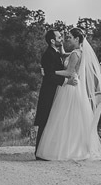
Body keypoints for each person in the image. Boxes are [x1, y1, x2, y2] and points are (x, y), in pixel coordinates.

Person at [36, 28, 101, 161]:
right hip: (74, 87)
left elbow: (69, 72)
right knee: (73, 118)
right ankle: (75, 147)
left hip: (70, 87)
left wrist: (50, 72)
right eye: (63, 37)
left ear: (77, 39)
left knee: (64, 118)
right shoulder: (78, 52)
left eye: (70, 37)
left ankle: (65, 148)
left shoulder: (75, 54)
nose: (66, 39)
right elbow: (64, 55)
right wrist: (61, 51)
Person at [33, 30, 78, 160]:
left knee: (52, 120)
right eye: (59, 37)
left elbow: (63, 56)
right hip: (49, 91)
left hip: (56, 91)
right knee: (45, 120)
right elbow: (50, 75)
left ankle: (47, 150)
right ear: (52, 41)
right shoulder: (48, 54)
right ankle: (39, 152)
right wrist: (67, 81)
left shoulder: (55, 52)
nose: (61, 39)